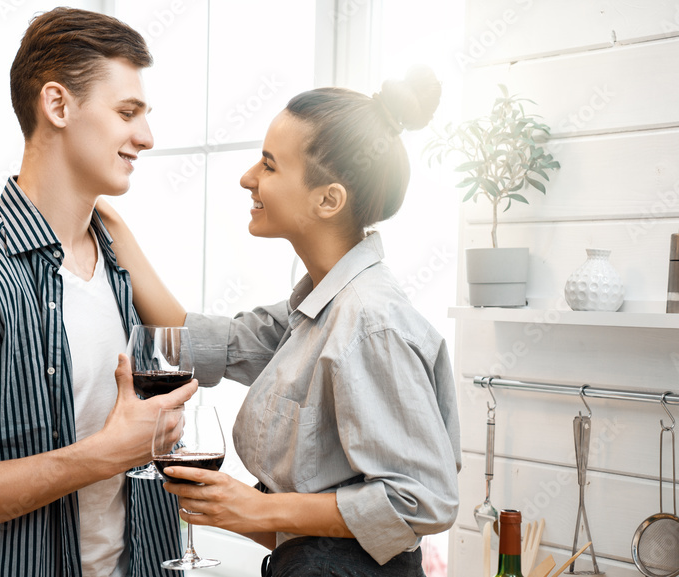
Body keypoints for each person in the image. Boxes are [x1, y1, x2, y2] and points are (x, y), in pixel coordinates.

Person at [98, 68, 461, 576]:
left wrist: (258, 507)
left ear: (328, 200)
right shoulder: (314, 309)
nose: (248, 177)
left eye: (269, 165)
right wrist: (108, 223)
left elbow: (422, 501)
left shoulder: (370, 323)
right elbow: (197, 340)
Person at [0, 8, 196, 577]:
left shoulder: (117, 268)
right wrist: (104, 455)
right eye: (127, 112)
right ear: (57, 105)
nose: (146, 137)